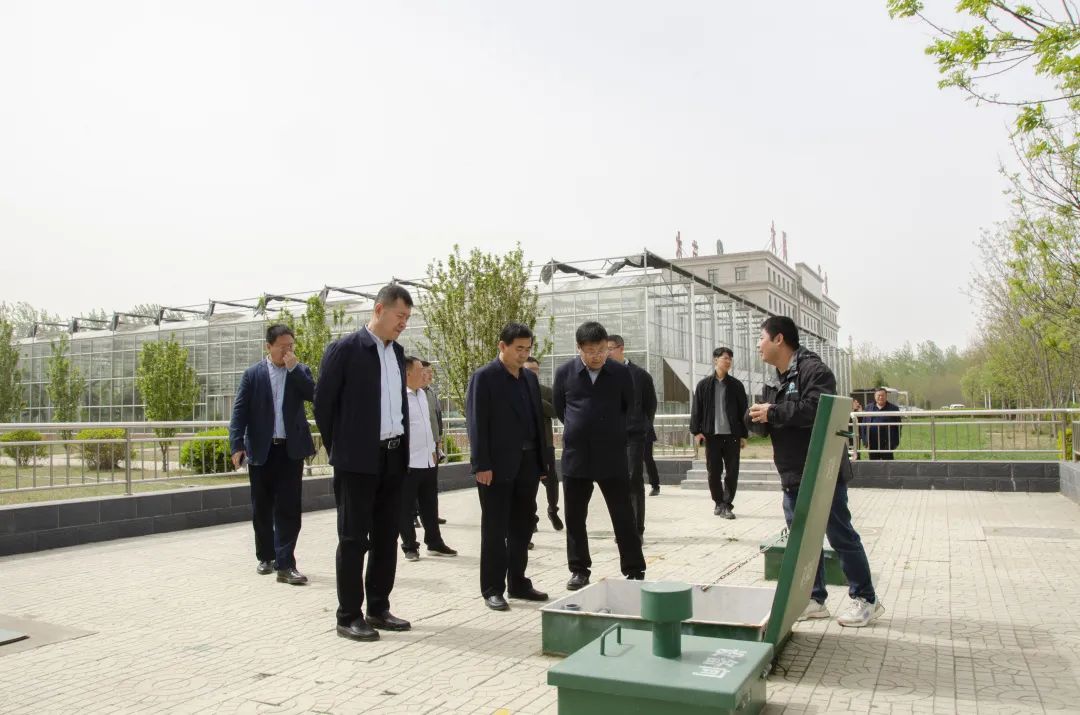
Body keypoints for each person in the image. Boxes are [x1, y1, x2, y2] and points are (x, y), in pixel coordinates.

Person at [748, 316, 885, 628]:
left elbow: (815, 410)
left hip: (821, 471)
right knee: (802, 541)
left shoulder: (814, 371)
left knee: (840, 535)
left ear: (779, 339)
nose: (758, 344)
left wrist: (773, 412)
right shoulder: (776, 380)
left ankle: (866, 599)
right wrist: (755, 417)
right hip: (792, 473)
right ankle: (814, 598)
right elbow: (775, 420)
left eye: (762, 337)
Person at [314, 284, 414, 642]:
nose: (403, 323)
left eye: (407, 318)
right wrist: (342, 448)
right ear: (379, 309)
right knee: (354, 538)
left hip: (393, 456)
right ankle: (348, 615)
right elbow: (323, 405)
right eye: (399, 316)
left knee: (387, 536)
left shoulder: (397, 353)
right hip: (357, 461)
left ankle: (378, 608)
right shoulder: (345, 350)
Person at [554, 321, 646, 591]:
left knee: (623, 514)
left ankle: (634, 568)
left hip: (612, 455)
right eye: (590, 351)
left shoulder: (620, 372)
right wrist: (581, 428)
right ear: (579, 348)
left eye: (602, 350)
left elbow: (629, 406)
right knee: (575, 517)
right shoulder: (565, 373)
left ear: (608, 347)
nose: (597, 356)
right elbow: (561, 409)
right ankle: (579, 570)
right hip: (576, 456)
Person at [466, 322, 550, 611]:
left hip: (528, 464)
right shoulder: (484, 377)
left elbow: (537, 422)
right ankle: (492, 588)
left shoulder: (529, 379)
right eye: (518, 349)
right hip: (496, 466)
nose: (523, 354)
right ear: (502, 346)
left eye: (528, 349)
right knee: (495, 528)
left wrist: (541, 463)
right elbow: (476, 423)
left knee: (523, 526)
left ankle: (518, 581)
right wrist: (481, 464)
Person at [229, 324, 315, 585]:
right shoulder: (253, 374)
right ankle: (266, 556)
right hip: (261, 449)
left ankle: (286, 564)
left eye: (291, 346)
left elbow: (313, 394)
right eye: (282, 346)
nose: (287, 351)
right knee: (262, 507)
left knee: (289, 508)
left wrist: (294, 369)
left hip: (290, 450)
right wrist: (236, 445)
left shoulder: (299, 371)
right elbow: (240, 411)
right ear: (269, 346)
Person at [400, 356, 457, 561]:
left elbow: (428, 426)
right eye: (420, 371)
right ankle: (409, 546)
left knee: (430, 505)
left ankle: (434, 542)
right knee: (405, 507)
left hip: (428, 458)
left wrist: (434, 448)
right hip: (408, 461)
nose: (425, 375)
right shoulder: (400, 397)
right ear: (407, 373)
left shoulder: (423, 395)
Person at [606, 334, 656, 539]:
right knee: (615, 483)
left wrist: (641, 427)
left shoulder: (640, 375)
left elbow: (650, 406)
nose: (606, 353)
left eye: (609, 348)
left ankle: (636, 530)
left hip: (633, 436)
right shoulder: (602, 374)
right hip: (610, 437)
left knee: (633, 480)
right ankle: (622, 528)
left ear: (621, 348)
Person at [689, 347, 748, 519]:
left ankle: (727, 504)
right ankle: (718, 502)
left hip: (732, 436)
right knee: (713, 472)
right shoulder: (704, 385)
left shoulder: (736, 385)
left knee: (732, 472)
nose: (728, 361)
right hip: (711, 436)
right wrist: (696, 431)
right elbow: (696, 410)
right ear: (715, 360)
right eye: (725, 358)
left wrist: (743, 435)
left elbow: (743, 411)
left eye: (730, 359)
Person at [525, 356, 563, 532]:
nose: (533, 373)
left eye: (535, 370)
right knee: (528, 484)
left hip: (545, 443)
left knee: (551, 481)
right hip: (525, 445)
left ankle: (553, 510)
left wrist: (536, 400)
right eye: (529, 369)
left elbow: (556, 412)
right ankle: (531, 518)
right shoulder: (514, 389)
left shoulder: (546, 391)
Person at [860, 388, 902, 460]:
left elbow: (898, 426)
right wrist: (865, 441)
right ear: (874, 396)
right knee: (874, 463)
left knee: (888, 464)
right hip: (872, 442)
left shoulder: (894, 408)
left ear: (886, 396)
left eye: (883, 395)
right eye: (878, 395)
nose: (881, 397)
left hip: (887, 442)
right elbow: (863, 425)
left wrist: (895, 442)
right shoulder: (868, 408)